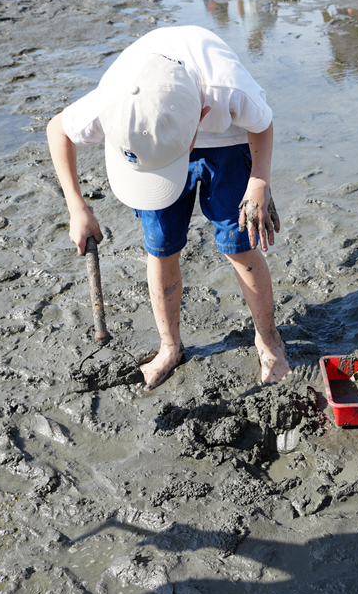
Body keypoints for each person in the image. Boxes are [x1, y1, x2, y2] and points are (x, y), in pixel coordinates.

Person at [47, 25, 290, 390]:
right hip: (149, 150)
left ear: (203, 114)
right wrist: (77, 207)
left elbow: (262, 123)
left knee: (239, 244)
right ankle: (170, 346)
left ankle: (269, 341)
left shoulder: (227, 89)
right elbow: (58, 129)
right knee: (160, 247)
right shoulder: (117, 97)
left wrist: (259, 180)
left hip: (229, 142)